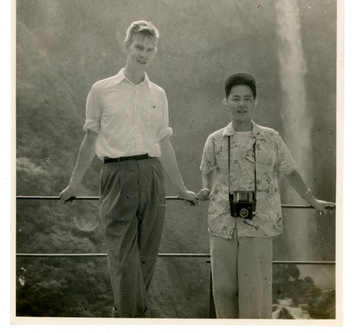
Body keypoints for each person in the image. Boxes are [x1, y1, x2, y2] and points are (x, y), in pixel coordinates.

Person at [59, 20, 197, 318]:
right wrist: (73, 185)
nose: (143, 54)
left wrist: (182, 188)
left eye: (150, 49)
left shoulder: (158, 94)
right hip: (116, 176)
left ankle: (125, 318)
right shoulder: (101, 89)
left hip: (152, 177)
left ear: (155, 52)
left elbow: (166, 144)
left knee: (146, 257)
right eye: (138, 47)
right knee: (123, 261)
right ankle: (133, 320)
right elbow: (89, 140)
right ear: (127, 46)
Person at [197, 72, 335, 319]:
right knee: (224, 291)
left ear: (255, 102)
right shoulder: (215, 140)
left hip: (259, 226)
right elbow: (206, 170)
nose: (241, 104)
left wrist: (312, 201)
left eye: (247, 99)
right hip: (222, 226)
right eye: (236, 98)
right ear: (225, 101)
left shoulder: (271, 138)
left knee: (255, 295)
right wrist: (206, 188)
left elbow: (291, 172)